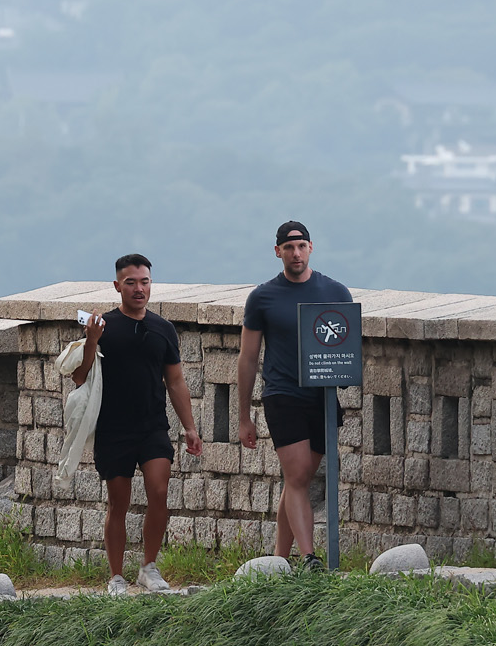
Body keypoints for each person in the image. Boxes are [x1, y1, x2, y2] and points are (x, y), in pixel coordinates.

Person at [70, 255, 204, 595]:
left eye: (144, 282)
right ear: (118, 286)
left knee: (159, 493)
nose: (139, 288)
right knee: (119, 501)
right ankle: (116, 575)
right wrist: (91, 341)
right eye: (131, 282)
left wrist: (189, 427)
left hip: (152, 426)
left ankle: (148, 567)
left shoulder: (163, 329)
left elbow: (175, 381)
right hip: (113, 428)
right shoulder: (102, 326)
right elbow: (79, 377)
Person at [237, 219, 353, 570]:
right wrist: (244, 415)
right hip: (282, 393)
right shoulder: (263, 297)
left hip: (321, 395)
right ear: (278, 252)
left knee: (297, 479)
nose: (296, 252)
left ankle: (278, 560)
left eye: (301, 246)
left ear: (311, 247)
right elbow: (248, 357)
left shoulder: (335, 292)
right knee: (299, 474)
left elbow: (347, 342)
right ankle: (309, 557)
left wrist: (345, 371)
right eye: (288, 247)